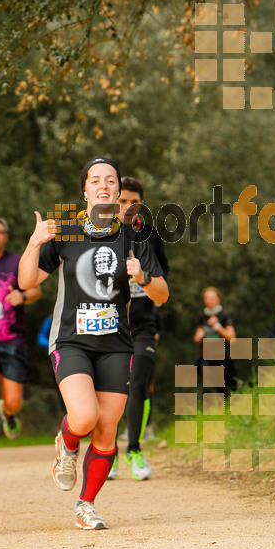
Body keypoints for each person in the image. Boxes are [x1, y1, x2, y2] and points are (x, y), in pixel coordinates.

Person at [18, 157, 168, 530]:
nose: (104, 186)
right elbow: (25, 282)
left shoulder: (135, 236)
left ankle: (86, 505)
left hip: (117, 343)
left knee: (106, 430)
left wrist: (144, 277)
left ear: (118, 191)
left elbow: (162, 295)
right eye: (96, 180)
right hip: (71, 340)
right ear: (84, 190)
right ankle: (66, 445)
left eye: (111, 181)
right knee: (84, 417)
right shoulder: (66, 233)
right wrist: (35, 242)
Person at [108, 176, 169, 481]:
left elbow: (163, 280)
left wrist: (145, 280)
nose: (127, 207)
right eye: (121, 201)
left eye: (133, 201)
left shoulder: (150, 235)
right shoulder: (101, 235)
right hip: (110, 323)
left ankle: (133, 448)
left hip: (143, 324)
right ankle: (109, 453)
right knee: (112, 390)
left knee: (138, 386)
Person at [0, 216, 41, 464]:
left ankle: (8, 413)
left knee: (13, 401)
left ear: (7, 237)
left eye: (1, 232)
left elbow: (36, 289)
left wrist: (23, 297)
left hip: (13, 339)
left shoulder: (15, 261)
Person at [194, 286, 237, 394]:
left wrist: (217, 327)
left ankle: (224, 409)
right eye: (207, 298)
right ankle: (207, 410)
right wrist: (200, 334)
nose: (210, 300)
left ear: (218, 299)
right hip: (206, 357)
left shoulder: (224, 315)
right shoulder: (203, 316)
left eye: (212, 297)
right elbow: (197, 336)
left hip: (222, 357)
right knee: (206, 388)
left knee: (222, 389)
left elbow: (232, 338)